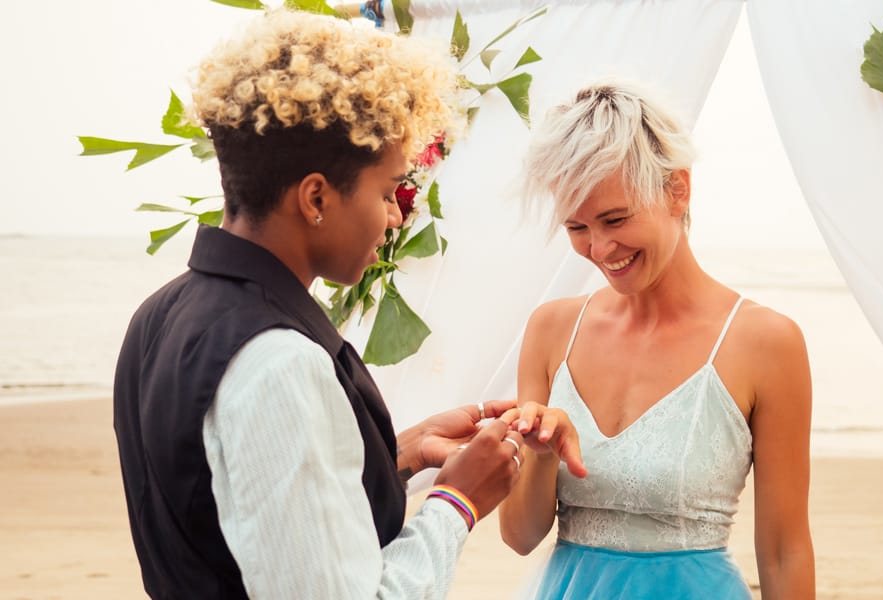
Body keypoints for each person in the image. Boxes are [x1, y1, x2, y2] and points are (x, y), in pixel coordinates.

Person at [112, 10, 584, 599]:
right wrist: (457, 502)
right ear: (316, 197)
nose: (394, 217)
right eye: (387, 191)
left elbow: (234, 506)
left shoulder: (156, 318)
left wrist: (399, 454)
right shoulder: (277, 360)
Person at [498, 80, 815, 599]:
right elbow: (519, 535)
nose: (600, 248)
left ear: (678, 189)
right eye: (577, 227)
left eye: (615, 218)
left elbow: (784, 551)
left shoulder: (766, 342)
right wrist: (540, 453)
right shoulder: (551, 329)